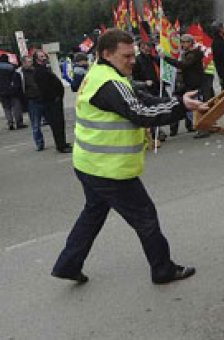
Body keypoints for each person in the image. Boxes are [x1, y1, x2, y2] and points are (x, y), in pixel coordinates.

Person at [52, 29, 209, 285]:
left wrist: (178, 101)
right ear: (106, 54)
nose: (133, 60)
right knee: (145, 217)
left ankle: (68, 264)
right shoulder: (109, 83)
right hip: (108, 170)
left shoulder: (103, 73)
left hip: (89, 164)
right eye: (127, 56)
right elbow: (141, 113)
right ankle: (163, 270)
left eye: (133, 55)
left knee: (93, 213)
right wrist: (181, 106)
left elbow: (140, 98)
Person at [162, 34, 211, 138]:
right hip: (188, 83)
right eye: (182, 42)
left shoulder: (195, 53)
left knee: (198, 106)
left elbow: (183, 64)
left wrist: (166, 58)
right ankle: (193, 126)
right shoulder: (187, 53)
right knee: (190, 106)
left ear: (191, 42)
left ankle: (202, 128)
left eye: (185, 42)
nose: (183, 44)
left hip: (196, 84)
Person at [33, 49, 72, 153]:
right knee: (56, 124)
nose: (44, 58)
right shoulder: (39, 71)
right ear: (37, 60)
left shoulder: (44, 69)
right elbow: (45, 88)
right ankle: (61, 146)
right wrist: (54, 97)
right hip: (51, 102)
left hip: (55, 100)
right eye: (41, 57)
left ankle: (62, 143)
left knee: (59, 123)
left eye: (44, 56)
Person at [133, 41, 167, 141]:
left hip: (158, 86)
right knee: (151, 109)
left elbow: (163, 66)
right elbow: (134, 77)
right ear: (139, 48)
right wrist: (144, 82)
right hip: (146, 89)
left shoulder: (153, 58)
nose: (146, 48)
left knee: (163, 105)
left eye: (147, 46)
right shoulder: (137, 60)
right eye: (143, 46)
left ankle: (159, 130)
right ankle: (156, 132)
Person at [0, 54, 27, 130]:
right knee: (16, 106)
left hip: (2, 92)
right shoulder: (11, 67)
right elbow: (16, 78)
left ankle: (10, 122)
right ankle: (19, 123)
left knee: (6, 108)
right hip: (12, 91)